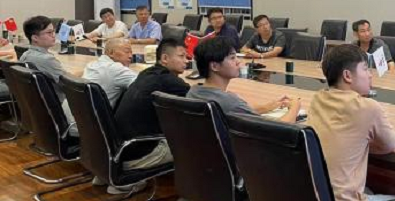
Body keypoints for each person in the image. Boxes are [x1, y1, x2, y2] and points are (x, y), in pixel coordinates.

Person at [306, 44, 395, 201]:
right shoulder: (368, 107)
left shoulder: (317, 99)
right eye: (365, 69)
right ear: (347, 76)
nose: (370, 75)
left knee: (367, 191)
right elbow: (388, 146)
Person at [114, 39, 189, 174]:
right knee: (197, 144)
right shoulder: (169, 80)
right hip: (137, 155)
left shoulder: (146, 73)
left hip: (118, 150)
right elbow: (199, 101)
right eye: (181, 56)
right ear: (165, 58)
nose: (186, 61)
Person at [188, 37, 301, 122]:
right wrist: (295, 106)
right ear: (214, 66)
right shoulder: (229, 102)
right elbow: (281, 130)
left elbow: (241, 110)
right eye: (232, 58)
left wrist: (270, 106)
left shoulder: (193, 92)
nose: (238, 61)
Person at [62, 38, 138, 136]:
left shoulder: (92, 64)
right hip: (89, 131)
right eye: (127, 52)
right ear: (111, 53)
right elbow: (143, 85)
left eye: (131, 52)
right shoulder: (115, 69)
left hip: (69, 124)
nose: (130, 56)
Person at [20, 16, 82, 100]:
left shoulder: (24, 55)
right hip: (60, 102)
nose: (53, 35)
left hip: (36, 103)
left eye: (53, 31)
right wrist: (83, 71)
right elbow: (71, 83)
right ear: (35, 38)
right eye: (49, 32)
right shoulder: (46, 59)